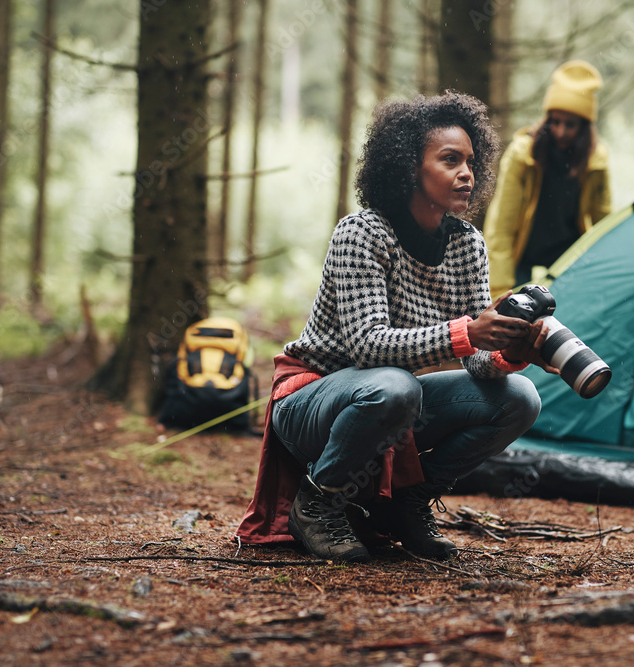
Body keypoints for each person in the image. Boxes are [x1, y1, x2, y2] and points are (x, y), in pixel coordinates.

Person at [235, 92, 558, 563]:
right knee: (394, 386)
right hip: (312, 401)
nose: (466, 173)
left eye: (470, 161)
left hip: (392, 403)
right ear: (409, 166)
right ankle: (319, 503)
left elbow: (479, 364)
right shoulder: (361, 233)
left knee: (520, 397)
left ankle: (407, 505)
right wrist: (468, 331)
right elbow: (367, 347)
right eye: (450, 160)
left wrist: (512, 348)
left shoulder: (467, 244)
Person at [483, 60, 613, 297]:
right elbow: (502, 224)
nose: (561, 131)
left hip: (567, 253)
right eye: (555, 121)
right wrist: (500, 286)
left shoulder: (596, 162)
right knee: (519, 318)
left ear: (584, 127)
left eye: (570, 125)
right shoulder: (523, 155)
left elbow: (604, 222)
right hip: (523, 252)